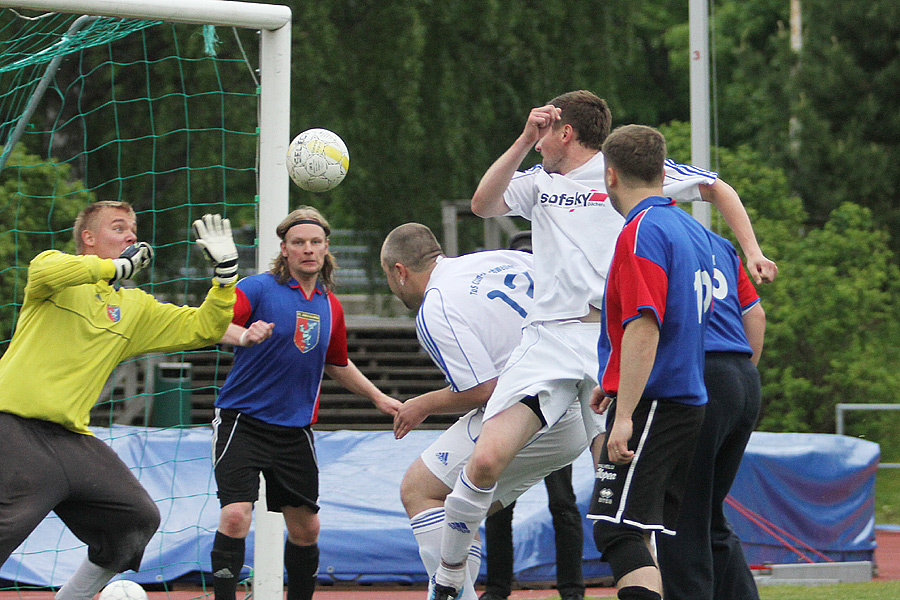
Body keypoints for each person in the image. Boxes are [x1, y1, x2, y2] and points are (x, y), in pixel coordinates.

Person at [429, 90, 776, 600]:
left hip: (609, 341)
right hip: (547, 335)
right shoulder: (539, 180)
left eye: (546, 128)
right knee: (483, 463)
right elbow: (483, 204)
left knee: (622, 495)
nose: (541, 137)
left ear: (566, 132)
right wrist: (525, 138)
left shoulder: (625, 173)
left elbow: (717, 187)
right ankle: (449, 579)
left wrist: (753, 251)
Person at [0, 201, 240, 600]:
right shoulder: (54, 274)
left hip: (71, 440)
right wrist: (117, 268)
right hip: (13, 430)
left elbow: (205, 327)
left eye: (133, 228)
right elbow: (44, 269)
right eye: (118, 228)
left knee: (135, 521)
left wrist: (226, 277)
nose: (131, 235)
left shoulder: (133, 308)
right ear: (88, 239)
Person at [381, 223, 590, 600]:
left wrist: (422, 404)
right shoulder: (500, 259)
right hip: (580, 402)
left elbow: (485, 388)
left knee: (420, 490)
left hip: (533, 408)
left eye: (389, 277)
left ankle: (452, 593)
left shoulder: (436, 306)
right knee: (459, 512)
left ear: (400, 271)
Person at [209, 206, 402, 600]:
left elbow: (338, 363)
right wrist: (243, 335)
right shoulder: (258, 288)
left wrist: (379, 398)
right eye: (298, 243)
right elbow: (213, 325)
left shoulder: (330, 305)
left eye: (315, 242)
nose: (307, 250)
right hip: (242, 422)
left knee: (307, 529)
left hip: (294, 429)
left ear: (326, 247)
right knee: (234, 515)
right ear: (284, 249)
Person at [587, 124, 717, 600]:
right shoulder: (690, 229)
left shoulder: (642, 231)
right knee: (640, 528)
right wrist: (616, 377)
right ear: (664, 172)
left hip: (657, 403)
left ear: (611, 174)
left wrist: (624, 416)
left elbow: (646, 323)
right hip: (684, 400)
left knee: (615, 529)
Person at [655, 231, 766, 600]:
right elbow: (756, 315)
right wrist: (740, 378)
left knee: (679, 519)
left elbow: (644, 321)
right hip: (741, 375)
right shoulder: (718, 243)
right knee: (709, 517)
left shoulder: (650, 235)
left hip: (699, 376)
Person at [480, 230, 585, 600]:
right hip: (512, 411)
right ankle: (496, 587)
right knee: (498, 502)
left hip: (552, 410)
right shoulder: (498, 310)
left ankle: (572, 589)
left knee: (562, 502)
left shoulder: (562, 302)